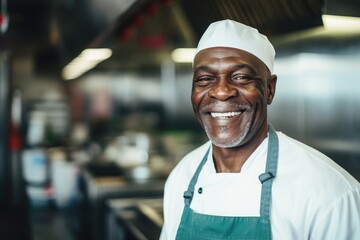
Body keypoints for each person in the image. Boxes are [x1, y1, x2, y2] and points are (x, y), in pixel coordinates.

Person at [159, 19, 360, 240]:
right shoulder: (182, 175)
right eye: (205, 79)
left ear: (270, 89)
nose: (221, 92)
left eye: (241, 77)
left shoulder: (327, 191)